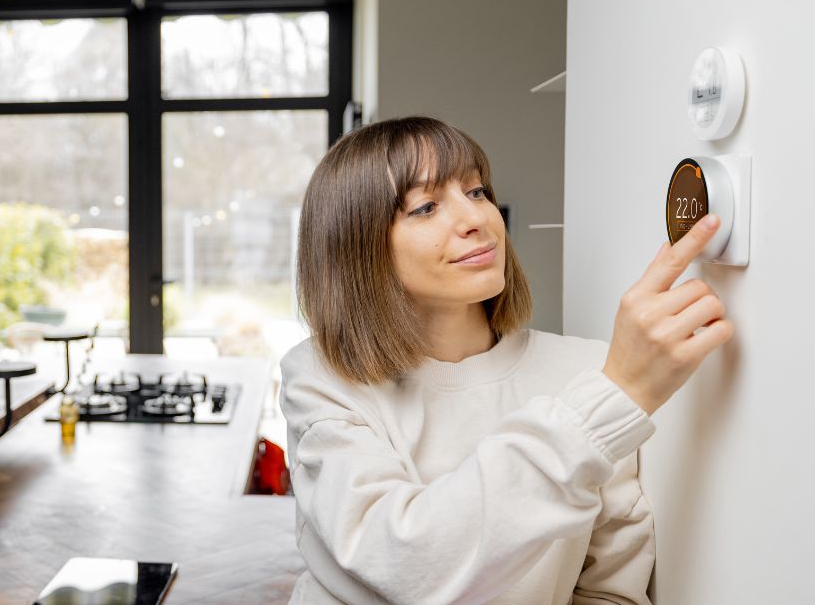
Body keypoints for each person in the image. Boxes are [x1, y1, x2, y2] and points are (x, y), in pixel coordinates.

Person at [280, 116, 733, 604]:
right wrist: (613, 398)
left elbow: (610, 588)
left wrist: (613, 390)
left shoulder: (588, 371)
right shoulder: (322, 378)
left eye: (476, 192)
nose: (478, 219)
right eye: (426, 206)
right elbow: (410, 564)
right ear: (357, 247)